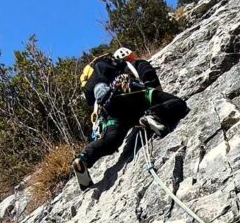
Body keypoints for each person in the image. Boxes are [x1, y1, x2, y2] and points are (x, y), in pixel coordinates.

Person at [72, 47, 188, 188]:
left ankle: (83, 158)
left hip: (111, 108)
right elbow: (148, 76)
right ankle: (153, 115)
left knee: (110, 140)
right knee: (179, 104)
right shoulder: (135, 64)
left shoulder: (104, 81)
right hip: (134, 95)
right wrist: (156, 97)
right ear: (129, 56)